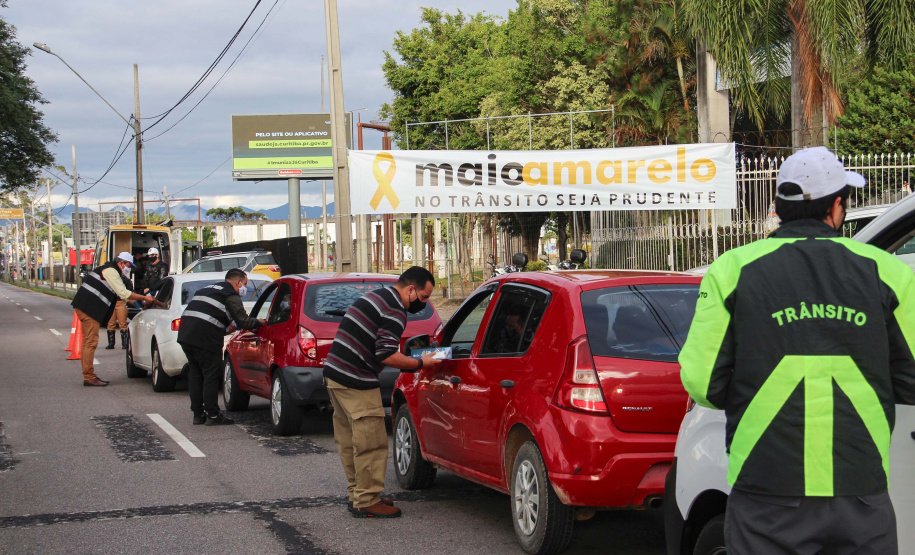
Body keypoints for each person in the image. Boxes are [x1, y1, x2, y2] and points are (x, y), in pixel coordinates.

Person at [679, 146, 915, 555]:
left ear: (778, 205)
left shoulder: (730, 270)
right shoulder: (889, 272)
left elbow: (702, 383)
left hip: (765, 492)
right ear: (837, 207)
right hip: (860, 491)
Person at [323, 266, 442, 518]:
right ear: (410, 289)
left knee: (349, 441)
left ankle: (358, 494)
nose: (424, 303)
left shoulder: (375, 296)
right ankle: (366, 501)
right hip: (356, 378)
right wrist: (421, 363)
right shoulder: (395, 311)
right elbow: (386, 354)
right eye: (423, 297)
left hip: (334, 374)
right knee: (371, 442)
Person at [177, 268, 265, 426]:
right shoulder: (230, 294)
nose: (244, 289)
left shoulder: (208, 289)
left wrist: (225, 329)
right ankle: (213, 415)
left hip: (186, 334)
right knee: (211, 374)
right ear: (238, 282)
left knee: (196, 374)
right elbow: (243, 321)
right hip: (205, 338)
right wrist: (260, 322)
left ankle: (198, 414)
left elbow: (207, 315)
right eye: (244, 284)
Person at [71, 252, 156, 387]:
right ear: (121, 263)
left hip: (86, 307)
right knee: (90, 342)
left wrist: (141, 305)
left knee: (88, 342)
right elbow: (123, 292)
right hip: (89, 308)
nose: (129, 269)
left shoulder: (111, 270)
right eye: (128, 265)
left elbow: (125, 297)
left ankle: (88, 374)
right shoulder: (111, 271)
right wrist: (145, 298)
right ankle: (89, 376)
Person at [105, 267, 133, 350]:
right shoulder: (110, 279)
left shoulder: (126, 280)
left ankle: (124, 344)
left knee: (122, 323)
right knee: (110, 323)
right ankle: (111, 343)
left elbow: (129, 291)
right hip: (111, 302)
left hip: (121, 302)